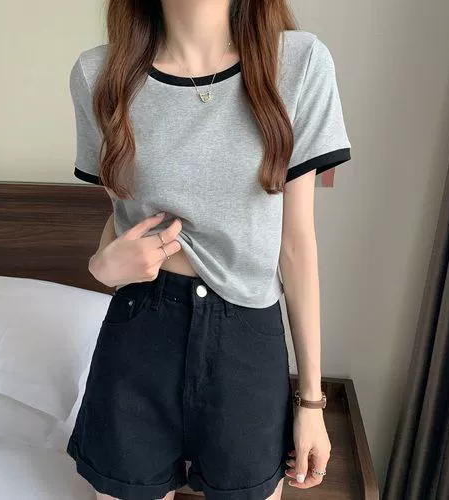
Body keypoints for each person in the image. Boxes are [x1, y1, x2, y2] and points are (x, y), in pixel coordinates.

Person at [66, 0, 352, 499]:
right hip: (139, 330)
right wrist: (101, 267)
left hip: (247, 340)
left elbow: (296, 245)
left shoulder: (299, 62)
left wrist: (311, 403)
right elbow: (121, 218)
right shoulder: (98, 74)